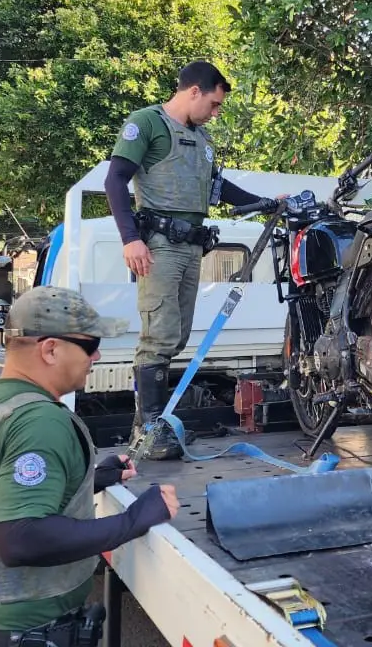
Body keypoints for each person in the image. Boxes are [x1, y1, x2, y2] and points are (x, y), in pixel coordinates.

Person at [0, 286, 180, 647]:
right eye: (90, 344)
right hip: (16, 635)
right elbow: (22, 539)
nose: (97, 355)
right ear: (50, 349)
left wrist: (87, 479)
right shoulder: (38, 421)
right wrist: (134, 519)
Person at [104, 60, 283, 460]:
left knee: (178, 335)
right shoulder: (147, 123)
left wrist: (269, 203)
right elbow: (114, 180)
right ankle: (148, 431)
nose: (215, 113)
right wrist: (130, 239)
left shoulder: (201, 141)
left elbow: (220, 189)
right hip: (158, 246)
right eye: (215, 104)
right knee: (159, 335)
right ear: (194, 92)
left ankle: (153, 423)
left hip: (190, 247)